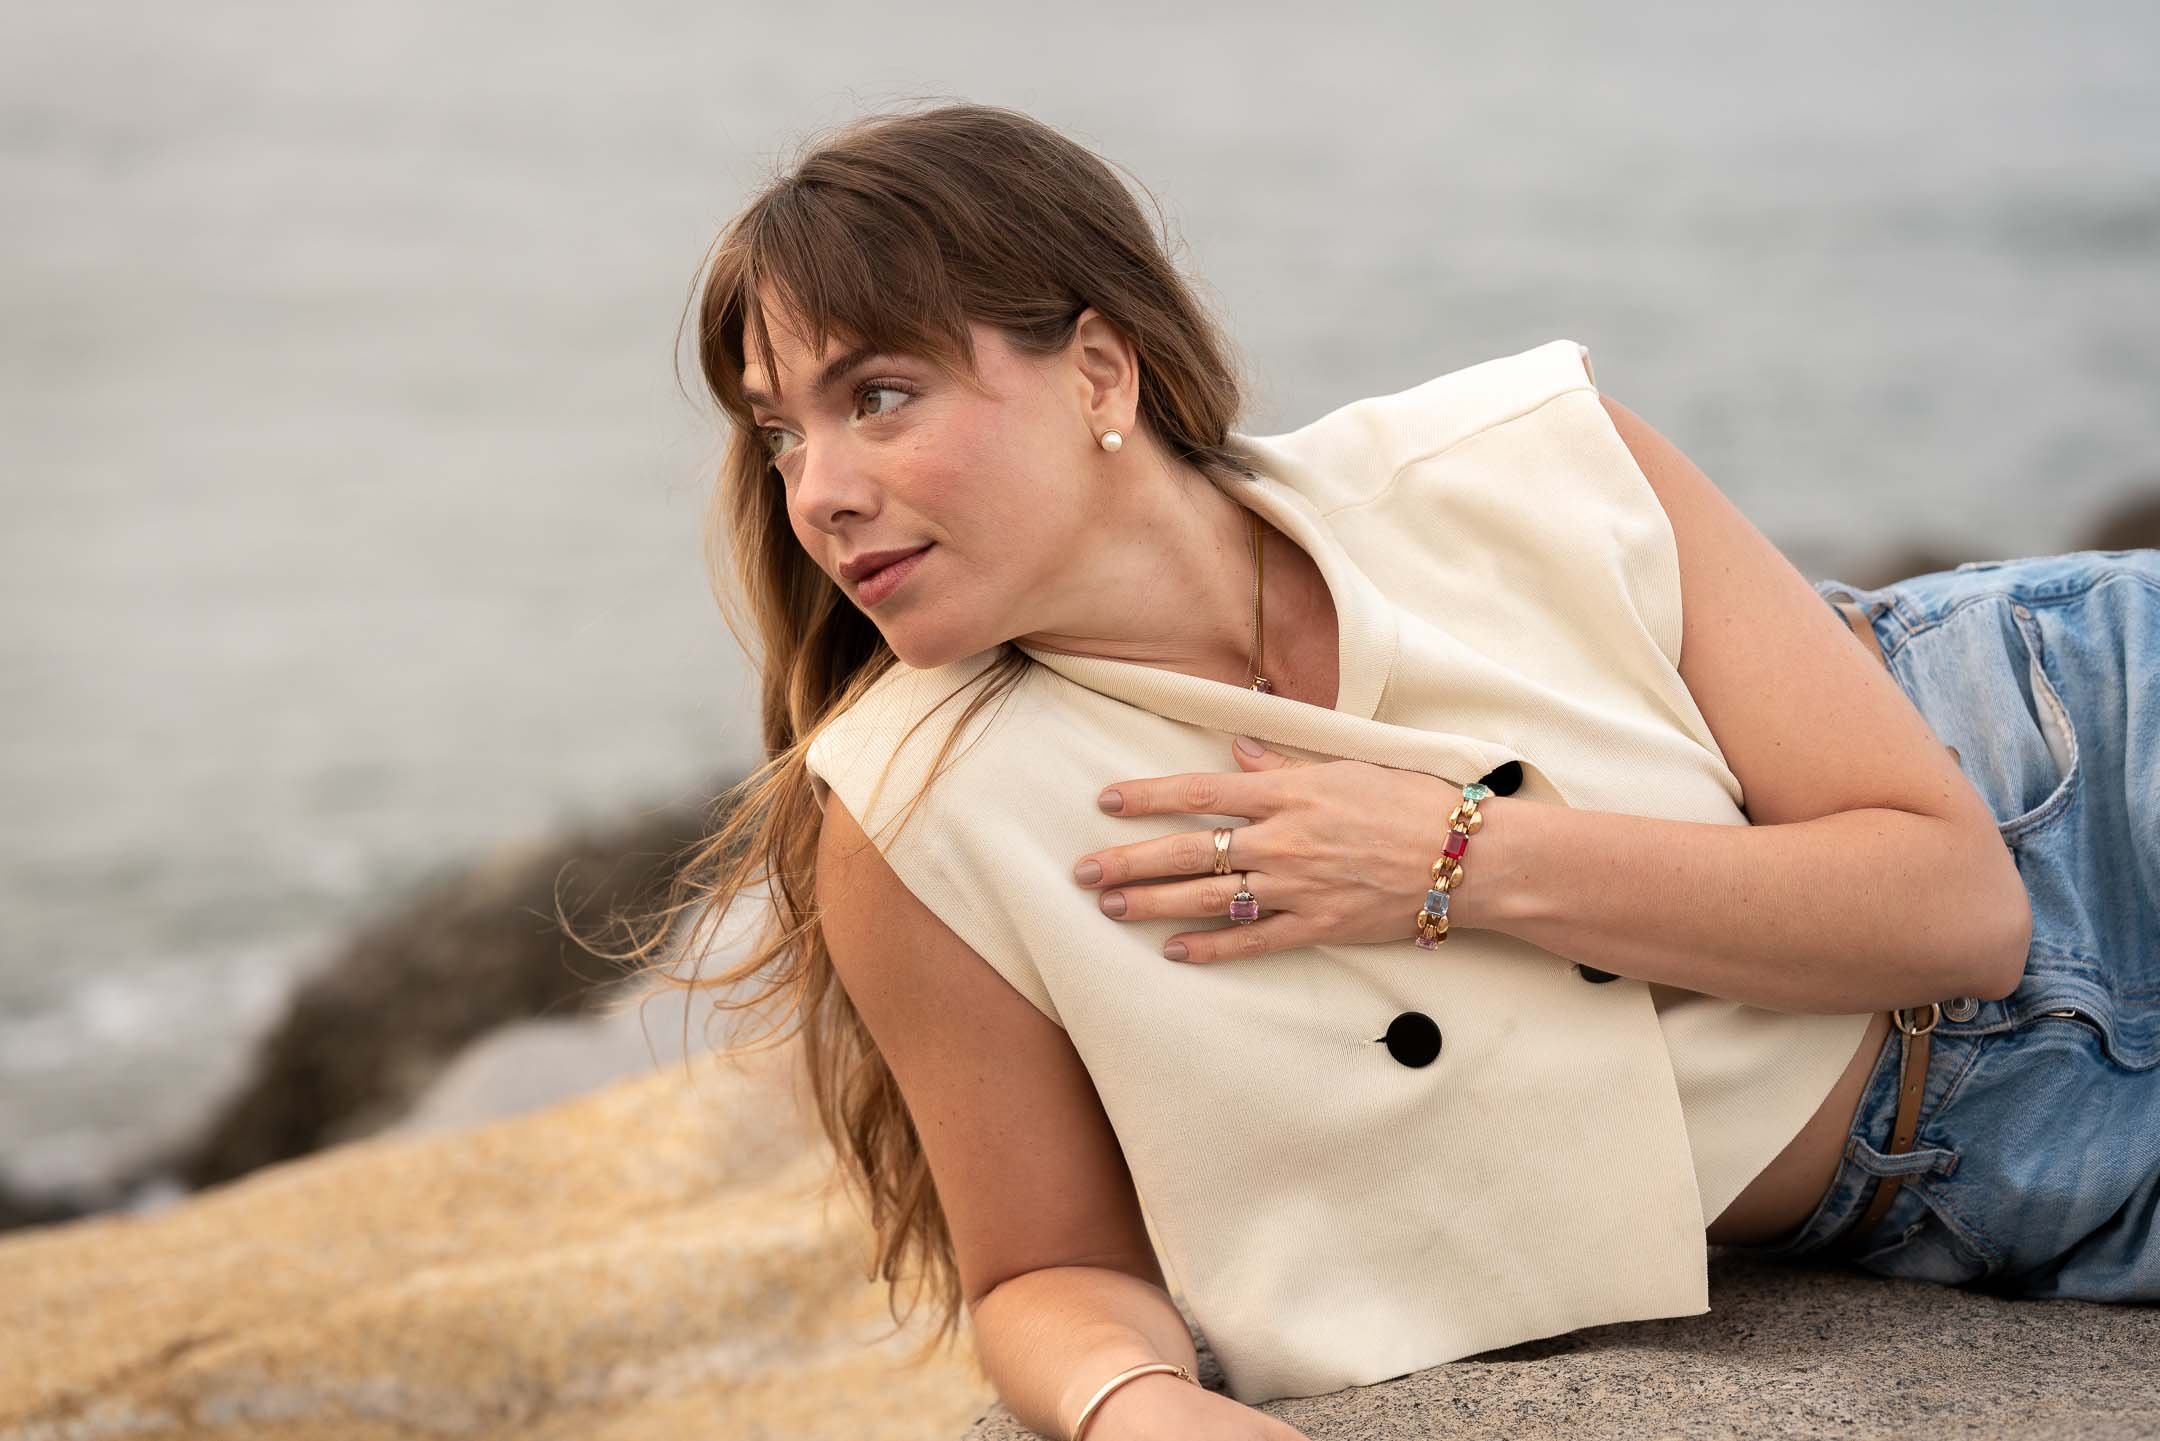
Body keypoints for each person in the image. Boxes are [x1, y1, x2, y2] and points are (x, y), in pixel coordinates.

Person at [609, 102, 2160, 1438]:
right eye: (779, 434)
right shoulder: (916, 815)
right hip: (1989, 1173)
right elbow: (1045, 1267)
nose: (819, 491)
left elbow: (1959, 909)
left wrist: (1455, 860)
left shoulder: (1520, 456)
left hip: (2061, 738)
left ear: (1098, 373)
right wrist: (1136, 1404)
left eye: (877, 397)